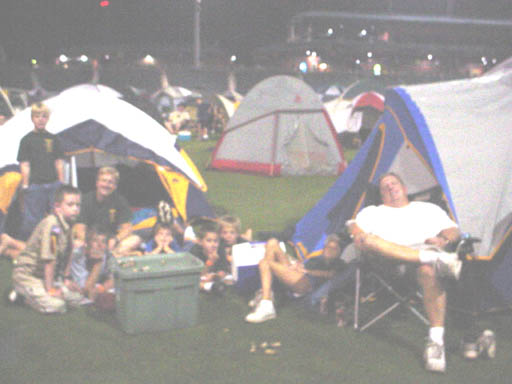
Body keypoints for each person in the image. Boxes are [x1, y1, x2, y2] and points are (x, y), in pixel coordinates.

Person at [346, 172, 492, 373]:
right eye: (384, 187)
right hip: (392, 262)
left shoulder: (428, 209)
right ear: (381, 195)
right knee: (369, 241)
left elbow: (453, 230)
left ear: (404, 188)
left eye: (394, 183)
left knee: (428, 270)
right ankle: (435, 260)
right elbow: (357, 234)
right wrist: (355, 230)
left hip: (430, 256)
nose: (390, 187)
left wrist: (443, 241)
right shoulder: (372, 212)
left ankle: (436, 341)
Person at [11, 185, 83, 314]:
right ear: (57, 207)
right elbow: (49, 260)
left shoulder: (70, 223)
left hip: (46, 276)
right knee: (57, 306)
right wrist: (50, 290)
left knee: (76, 299)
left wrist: (66, 279)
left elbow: (70, 251)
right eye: (70, 205)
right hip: (29, 275)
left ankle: (38, 292)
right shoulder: (53, 226)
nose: (75, 209)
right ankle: (22, 295)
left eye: (78, 205)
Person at [245, 234, 345, 323]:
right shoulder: (316, 258)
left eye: (334, 248)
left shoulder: (339, 263)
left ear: (339, 251)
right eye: (327, 247)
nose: (329, 250)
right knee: (272, 243)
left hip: (306, 283)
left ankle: (267, 305)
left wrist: (307, 271)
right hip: (298, 275)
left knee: (265, 263)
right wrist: (297, 265)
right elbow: (303, 266)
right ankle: (265, 294)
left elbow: (331, 275)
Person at [16, 102, 66, 240]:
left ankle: (55, 247)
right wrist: (26, 185)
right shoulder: (26, 140)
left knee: (56, 219)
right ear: (32, 118)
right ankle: (32, 249)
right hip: (34, 186)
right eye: (37, 116)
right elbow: (25, 164)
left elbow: (59, 162)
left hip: (54, 185)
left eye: (44, 116)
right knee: (32, 222)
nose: (40, 119)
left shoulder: (54, 139)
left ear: (48, 118)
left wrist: (61, 183)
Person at [73, 166, 140, 258]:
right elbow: (79, 229)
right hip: (90, 241)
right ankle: (113, 256)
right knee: (76, 243)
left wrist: (115, 239)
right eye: (103, 181)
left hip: (109, 242)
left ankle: (111, 256)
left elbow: (127, 228)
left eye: (110, 182)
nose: (106, 185)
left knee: (135, 239)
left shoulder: (120, 201)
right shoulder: (85, 200)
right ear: (97, 183)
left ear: (115, 186)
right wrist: (92, 243)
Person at [189, 220, 228, 293]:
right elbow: (198, 274)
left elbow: (223, 269)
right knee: (193, 282)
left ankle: (213, 286)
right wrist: (210, 262)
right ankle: (210, 287)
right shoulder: (195, 251)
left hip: (211, 276)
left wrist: (216, 276)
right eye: (209, 241)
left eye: (215, 241)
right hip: (200, 276)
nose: (213, 244)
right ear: (200, 242)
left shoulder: (220, 249)